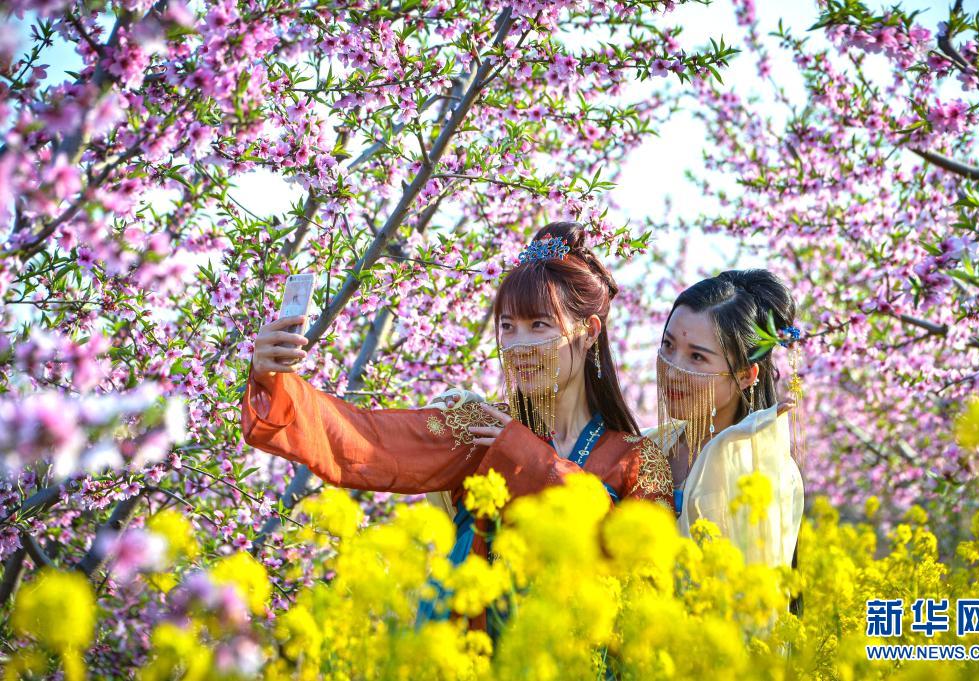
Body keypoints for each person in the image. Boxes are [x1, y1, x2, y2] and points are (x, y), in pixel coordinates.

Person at [241, 222, 674, 630]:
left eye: (538, 325)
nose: (519, 345)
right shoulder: (481, 427)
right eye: (508, 327)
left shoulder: (638, 458)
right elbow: (365, 441)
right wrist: (275, 381)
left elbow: (643, 579)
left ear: (588, 331)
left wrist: (529, 458)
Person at [650, 270, 804, 578]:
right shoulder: (647, 446)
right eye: (668, 346)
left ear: (746, 375)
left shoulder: (765, 473)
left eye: (696, 357)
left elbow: (757, 605)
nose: (673, 370)